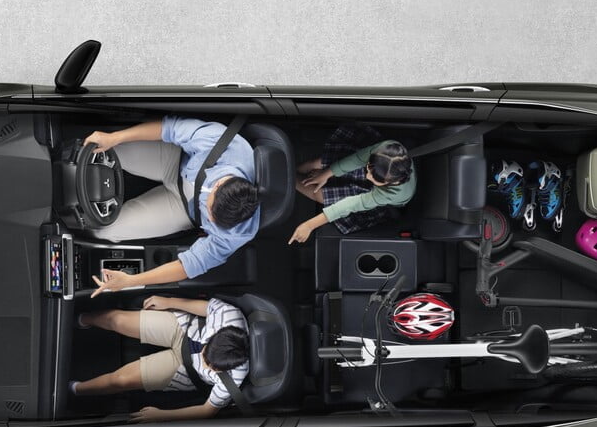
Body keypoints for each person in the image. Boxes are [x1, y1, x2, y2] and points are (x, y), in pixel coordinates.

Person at [83, 117, 260, 295]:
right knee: (102, 150)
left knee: (105, 231)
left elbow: (191, 265)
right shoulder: (221, 143)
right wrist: (114, 137)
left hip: (183, 209)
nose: (210, 218)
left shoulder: (239, 231)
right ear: (217, 185)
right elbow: (169, 128)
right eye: (210, 210)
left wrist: (131, 281)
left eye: (213, 221)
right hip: (176, 162)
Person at [72, 295, 250, 423]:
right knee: (117, 320)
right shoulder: (229, 315)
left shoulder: (234, 379)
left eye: (210, 366)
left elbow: (207, 410)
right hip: (184, 329)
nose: (204, 362)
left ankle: (75, 389)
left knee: (120, 380)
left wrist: (161, 415)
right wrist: (169, 301)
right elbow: (206, 307)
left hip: (187, 371)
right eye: (205, 355)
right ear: (216, 334)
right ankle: (80, 319)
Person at [288, 126, 416, 244]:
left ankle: (288, 179)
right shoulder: (385, 149)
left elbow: (351, 204)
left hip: (376, 196)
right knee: (318, 163)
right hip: (376, 173)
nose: (367, 176)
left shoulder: (395, 193)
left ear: (391, 182)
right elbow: (358, 159)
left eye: (375, 177)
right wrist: (326, 173)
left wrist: (309, 225)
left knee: (320, 195)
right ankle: (288, 168)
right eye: (369, 168)